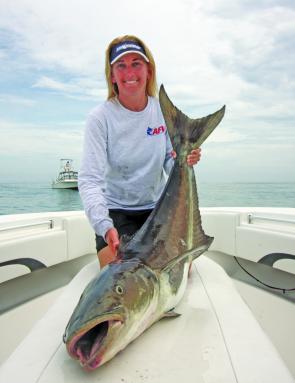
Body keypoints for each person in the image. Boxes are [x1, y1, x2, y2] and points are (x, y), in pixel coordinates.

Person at [78, 35, 201, 269]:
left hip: (157, 209)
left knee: (181, 272)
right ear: (112, 75)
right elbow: (89, 180)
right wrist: (105, 226)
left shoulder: (162, 111)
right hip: (116, 211)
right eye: (121, 66)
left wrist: (183, 160)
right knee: (118, 277)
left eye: (136, 63)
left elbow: (168, 159)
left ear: (148, 71)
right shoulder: (100, 118)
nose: (129, 72)